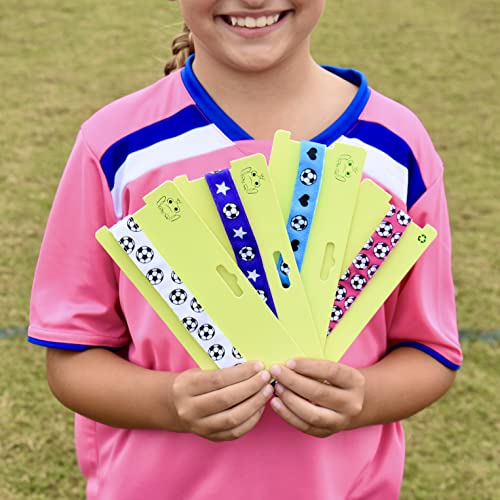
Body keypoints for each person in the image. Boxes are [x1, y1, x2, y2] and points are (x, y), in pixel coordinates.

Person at [28, 1, 462, 499]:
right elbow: (73, 357)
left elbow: (431, 350)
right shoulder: (116, 146)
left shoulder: (397, 147)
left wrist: (364, 398)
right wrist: (169, 402)